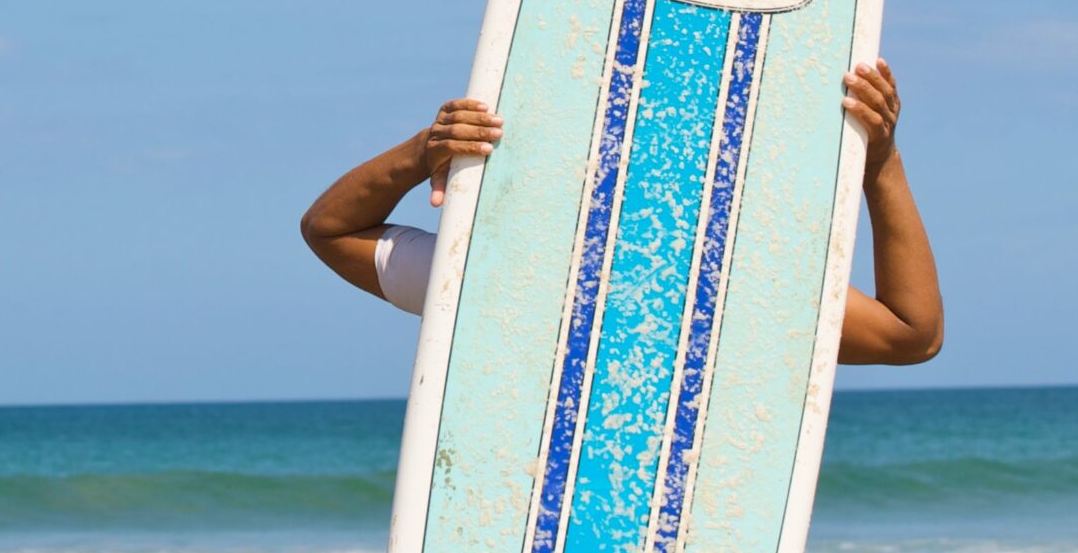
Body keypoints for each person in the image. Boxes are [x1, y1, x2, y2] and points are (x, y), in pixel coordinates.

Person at [301, 59, 942, 365]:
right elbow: (911, 334)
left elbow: (331, 232)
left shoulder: (496, 280)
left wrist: (881, 164)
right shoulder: (724, 298)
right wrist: (421, 151)